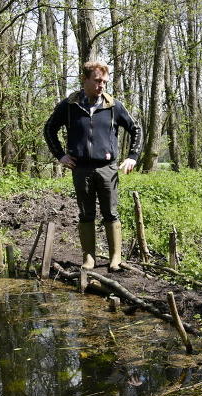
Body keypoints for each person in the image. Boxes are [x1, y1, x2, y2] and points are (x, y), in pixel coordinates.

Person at [44, 61, 143, 272]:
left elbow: (136, 129)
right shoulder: (69, 106)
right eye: (97, 81)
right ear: (85, 80)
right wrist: (60, 155)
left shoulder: (113, 105)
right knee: (85, 214)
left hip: (108, 168)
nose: (101, 86)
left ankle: (115, 257)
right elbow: (49, 129)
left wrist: (133, 156)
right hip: (80, 169)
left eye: (105, 82)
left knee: (111, 213)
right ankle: (88, 258)